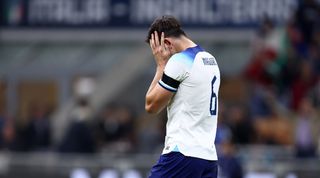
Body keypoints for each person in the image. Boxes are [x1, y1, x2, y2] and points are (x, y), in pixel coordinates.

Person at [145, 15, 220, 178]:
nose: (160, 53)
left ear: (167, 43)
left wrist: (161, 66)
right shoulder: (210, 60)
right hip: (208, 158)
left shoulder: (180, 61)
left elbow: (151, 106)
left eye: (158, 49)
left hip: (182, 154)